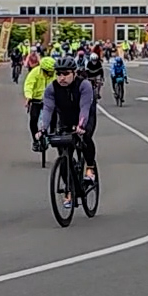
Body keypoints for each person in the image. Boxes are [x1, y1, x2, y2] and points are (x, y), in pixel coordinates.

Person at [37, 56, 97, 208]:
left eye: (65, 74)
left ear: (74, 73)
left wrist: (81, 125)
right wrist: (42, 128)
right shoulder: (52, 88)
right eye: (58, 74)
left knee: (85, 138)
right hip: (65, 119)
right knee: (64, 155)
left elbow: (85, 107)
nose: (61, 78)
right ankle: (69, 191)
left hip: (84, 116)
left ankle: (90, 168)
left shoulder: (84, 85)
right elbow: (48, 109)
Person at [24, 56, 57, 150]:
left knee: (54, 115)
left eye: (52, 71)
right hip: (36, 98)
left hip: (50, 99)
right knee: (33, 119)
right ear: (43, 70)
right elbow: (29, 85)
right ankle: (35, 140)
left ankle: (52, 132)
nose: (51, 73)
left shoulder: (55, 73)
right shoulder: (35, 72)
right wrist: (28, 97)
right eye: (49, 72)